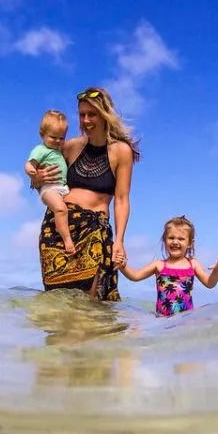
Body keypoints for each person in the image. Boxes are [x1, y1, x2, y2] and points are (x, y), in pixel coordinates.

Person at [29, 87, 140, 300]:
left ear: (105, 115)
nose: (86, 120)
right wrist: (36, 178)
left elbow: (122, 200)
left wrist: (119, 241)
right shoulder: (69, 147)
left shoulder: (121, 151)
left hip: (93, 230)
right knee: (57, 301)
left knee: (89, 303)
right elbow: (40, 181)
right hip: (58, 229)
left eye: (92, 114)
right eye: (82, 114)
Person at [119, 215, 218, 317]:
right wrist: (123, 266)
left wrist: (217, 271)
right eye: (171, 238)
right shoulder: (159, 265)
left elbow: (210, 283)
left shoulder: (193, 264)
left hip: (185, 320)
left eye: (181, 239)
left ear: (189, 243)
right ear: (164, 240)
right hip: (161, 320)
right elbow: (135, 276)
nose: (175, 242)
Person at [24, 110, 75, 254]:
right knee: (60, 209)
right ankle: (67, 240)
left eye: (61, 138)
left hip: (62, 187)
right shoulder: (40, 149)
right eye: (54, 137)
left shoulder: (59, 150)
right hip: (49, 189)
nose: (58, 141)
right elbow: (29, 163)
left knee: (66, 210)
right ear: (42, 135)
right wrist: (31, 172)